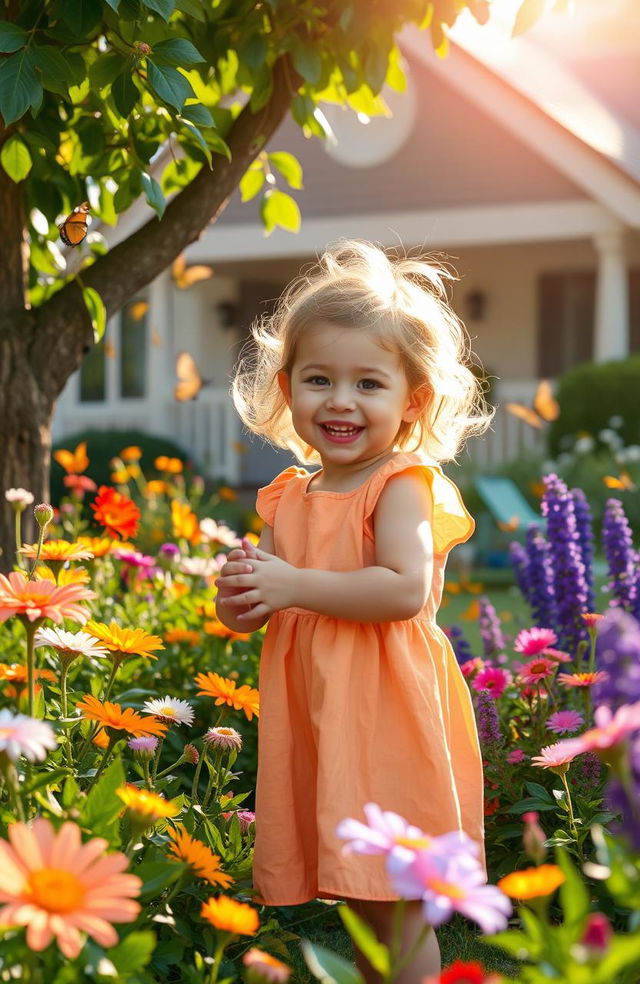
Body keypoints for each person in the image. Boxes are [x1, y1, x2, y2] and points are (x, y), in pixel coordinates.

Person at [215, 240, 493, 982]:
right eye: (319, 379)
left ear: (413, 400)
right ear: (287, 387)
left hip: (382, 713)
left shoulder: (402, 484)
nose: (340, 401)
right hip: (320, 714)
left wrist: (293, 585)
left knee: (394, 895)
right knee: (357, 895)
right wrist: (241, 595)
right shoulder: (286, 495)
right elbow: (260, 604)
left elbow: (404, 588)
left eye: (368, 382)